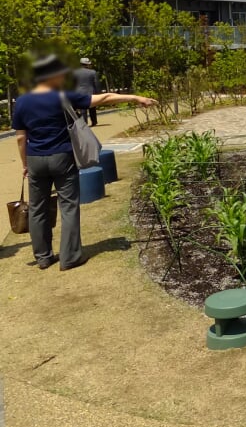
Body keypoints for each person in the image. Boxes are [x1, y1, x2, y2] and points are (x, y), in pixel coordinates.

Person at [13, 54, 156, 270]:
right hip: (62, 157)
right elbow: (104, 98)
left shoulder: (22, 101)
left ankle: (43, 257)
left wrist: (25, 164)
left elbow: (20, 138)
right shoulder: (63, 96)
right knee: (68, 206)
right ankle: (70, 257)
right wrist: (136, 98)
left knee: (37, 208)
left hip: (35, 159)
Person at [71, 57, 100, 126]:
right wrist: (98, 93)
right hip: (91, 92)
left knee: (83, 109)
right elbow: (96, 83)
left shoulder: (74, 72)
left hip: (79, 92)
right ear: (87, 64)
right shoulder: (93, 72)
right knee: (92, 108)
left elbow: (72, 84)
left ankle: (84, 123)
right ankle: (94, 122)